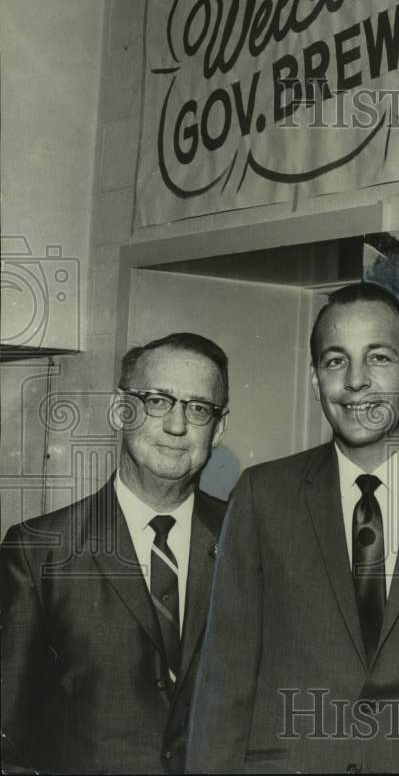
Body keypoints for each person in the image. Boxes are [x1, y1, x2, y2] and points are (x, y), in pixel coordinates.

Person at [187, 282, 399, 774]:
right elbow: (225, 679)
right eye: (336, 361)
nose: (356, 381)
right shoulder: (264, 494)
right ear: (316, 380)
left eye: (379, 357)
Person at [0, 332, 230, 774]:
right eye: (157, 401)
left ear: (218, 428)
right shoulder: (38, 553)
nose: (177, 426)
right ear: (120, 409)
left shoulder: (249, 541)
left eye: (198, 408)